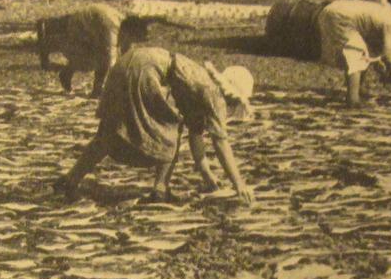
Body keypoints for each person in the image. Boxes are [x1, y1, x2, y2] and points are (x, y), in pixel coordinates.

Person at [56, 46, 255, 205]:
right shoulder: (214, 96)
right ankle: (160, 190)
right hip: (147, 71)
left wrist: (208, 177)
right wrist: (239, 184)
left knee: (110, 132)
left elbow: (196, 137)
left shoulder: (203, 81)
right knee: (168, 128)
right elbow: (221, 143)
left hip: (127, 61)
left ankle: (70, 181)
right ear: (233, 97)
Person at [316, 0, 391, 108]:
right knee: (356, 54)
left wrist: (377, 62)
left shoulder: (390, 16)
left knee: (360, 53)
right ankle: (353, 100)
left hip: (332, 10)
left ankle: (355, 91)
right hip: (339, 16)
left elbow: (373, 50)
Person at [34, 3, 149, 97]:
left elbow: (127, 56)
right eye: (134, 38)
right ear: (129, 32)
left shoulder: (124, 25)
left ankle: (67, 71)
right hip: (78, 27)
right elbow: (110, 63)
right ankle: (94, 89)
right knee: (94, 60)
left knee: (99, 56)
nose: (132, 42)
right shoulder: (111, 30)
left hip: (92, 24)